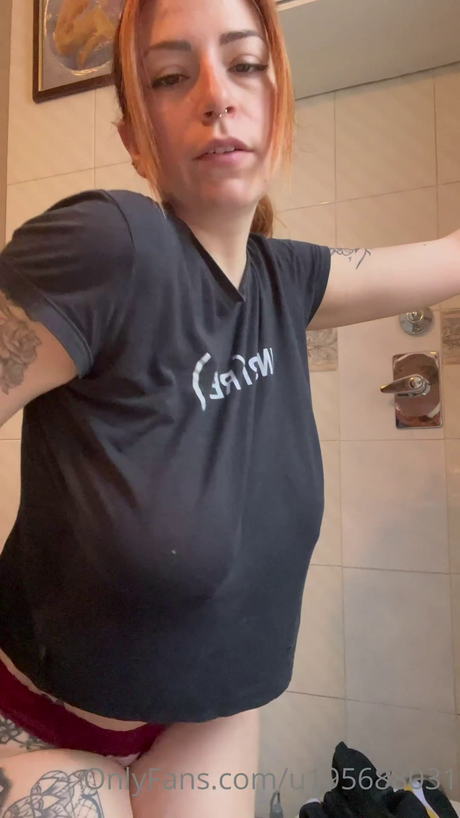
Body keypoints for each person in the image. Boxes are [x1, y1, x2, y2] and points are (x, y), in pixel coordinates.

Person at [0, 0, 459, 814]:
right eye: (171, 78)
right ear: (135, 139)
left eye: (245, 64)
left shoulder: (287, 283)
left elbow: (449, 259)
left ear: (279, 104)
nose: (217, 95)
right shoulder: (113, 246)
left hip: (202, 719)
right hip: (38, 725)